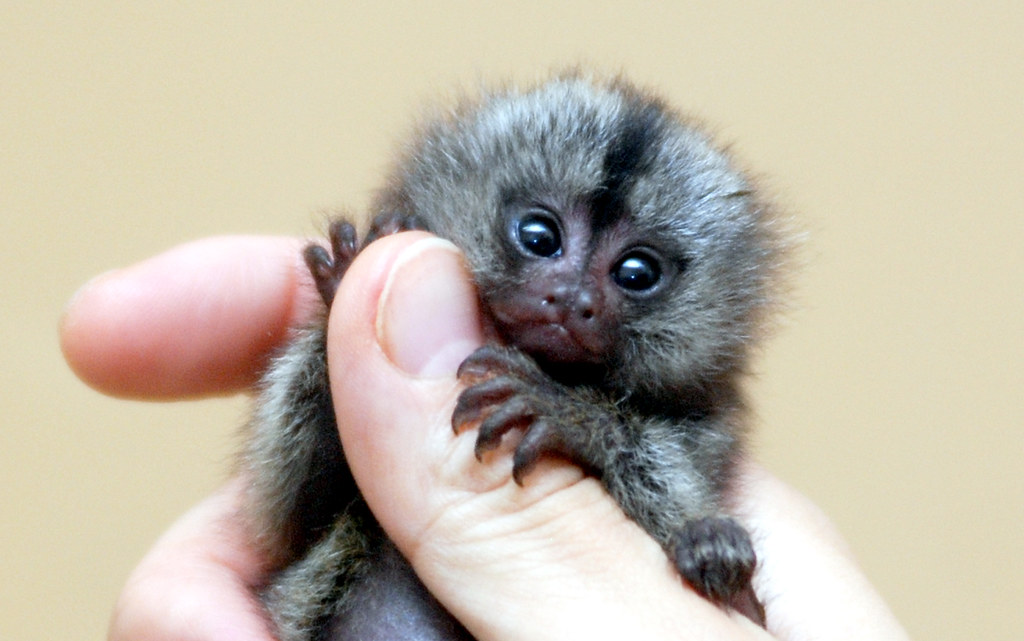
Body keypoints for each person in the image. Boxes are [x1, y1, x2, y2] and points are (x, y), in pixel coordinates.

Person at [61, 232, 910, 641]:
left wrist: (575, 420)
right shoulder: (386, 322)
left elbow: (683, 518)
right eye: (540, 239)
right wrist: (334, 345)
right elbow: (283, 513)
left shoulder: (687, 419)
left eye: (636, 275)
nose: (574, 293)